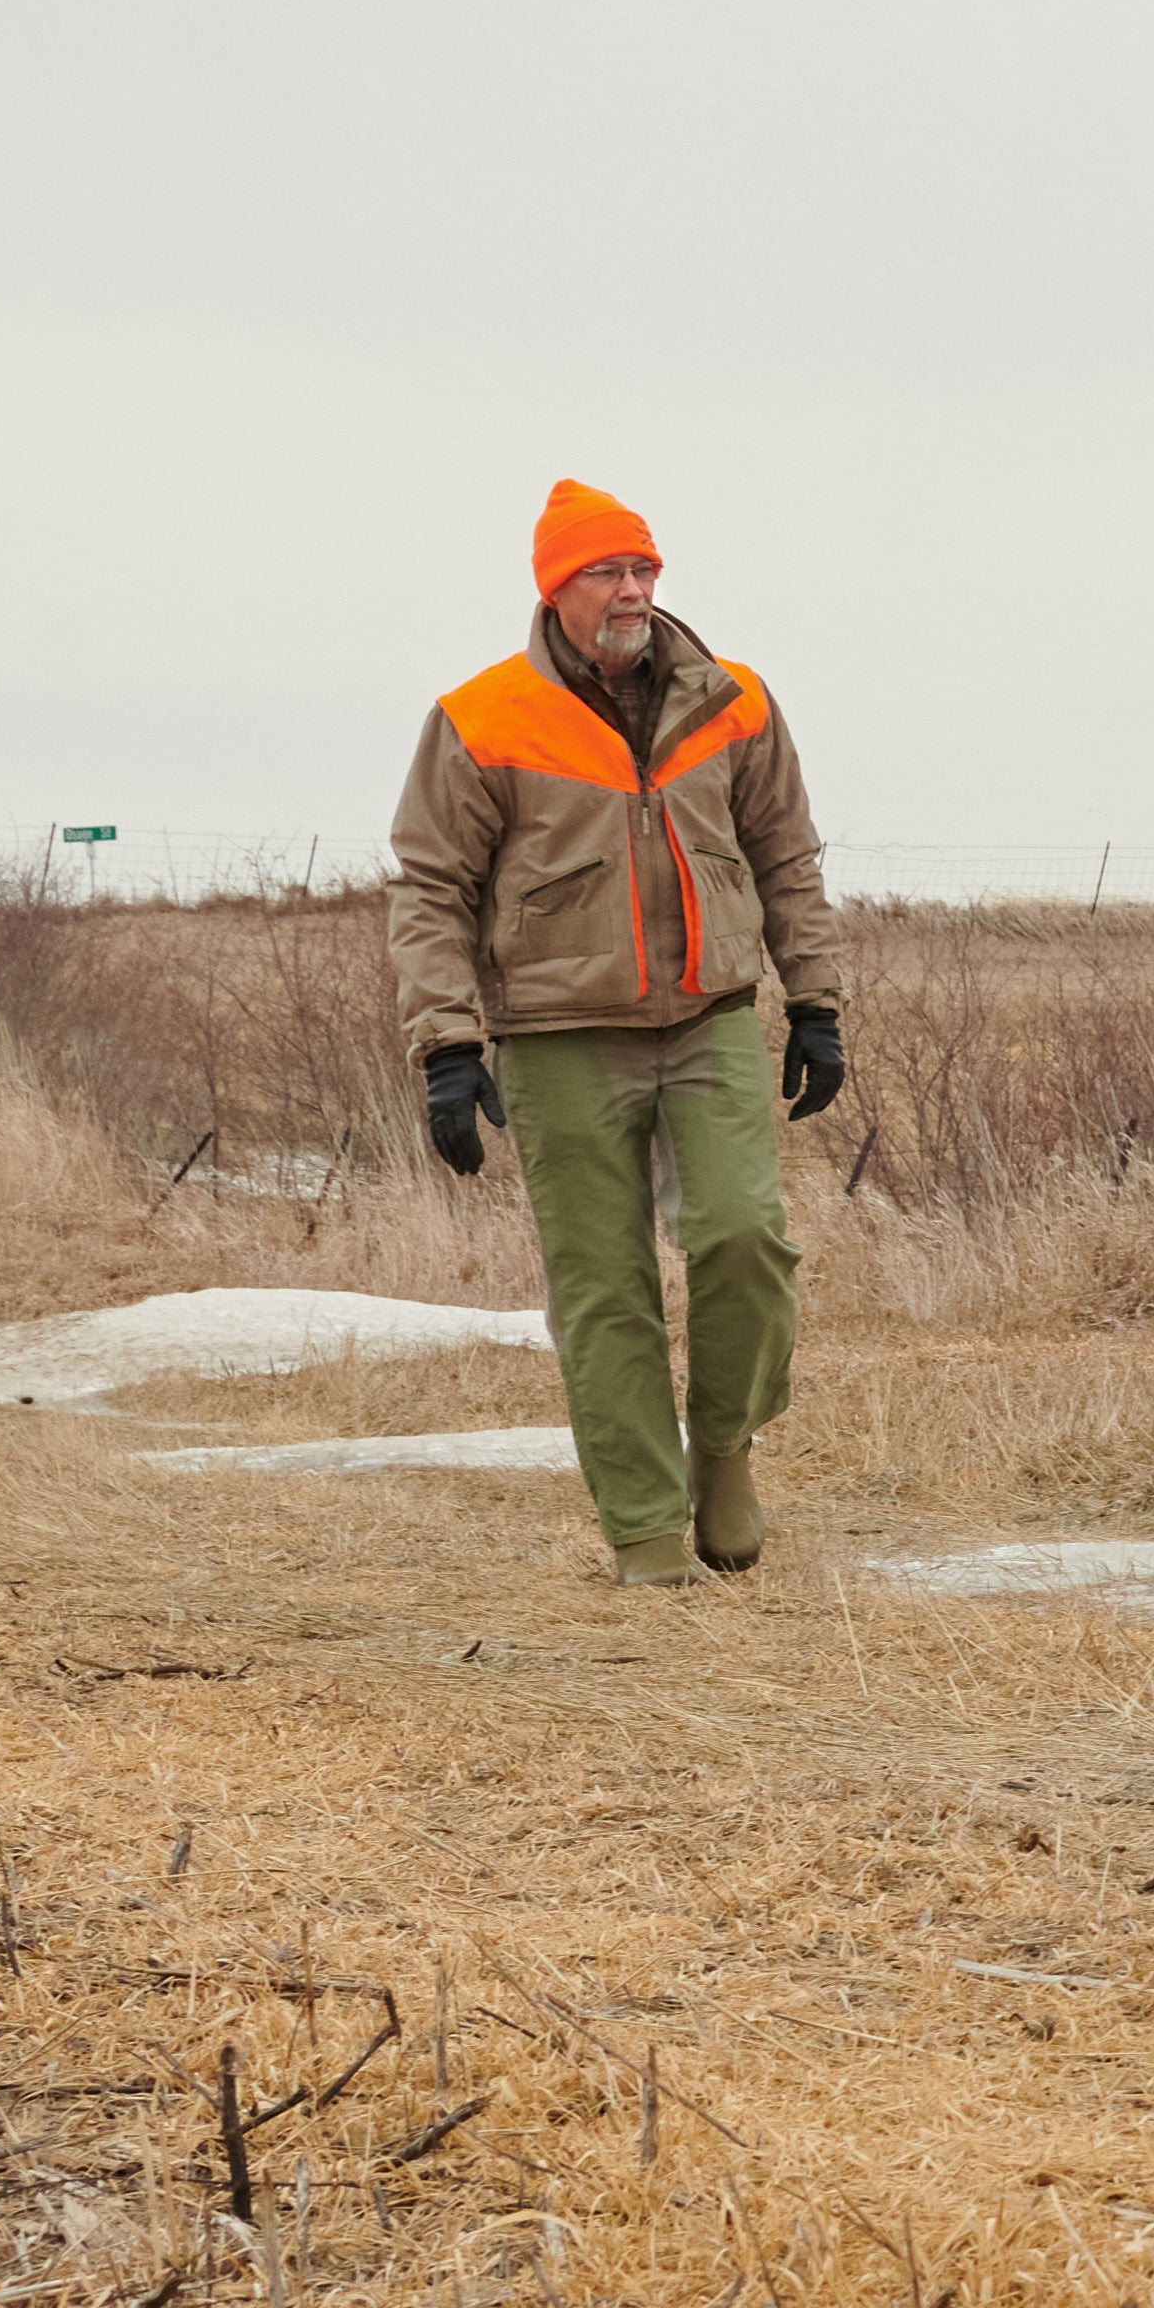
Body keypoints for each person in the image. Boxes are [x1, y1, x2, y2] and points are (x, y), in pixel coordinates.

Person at [388, 480, 851, 1586]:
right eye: (608, 571)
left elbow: (787, 856)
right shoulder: (481, 717)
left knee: (745, 1239)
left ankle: (725, 1448)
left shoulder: (733, 701)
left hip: (712, 1017)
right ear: (557, 589)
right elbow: (430, 891)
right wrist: (448, 1046)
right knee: (604, 1289)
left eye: (644, 569)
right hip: (557, 1037)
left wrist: (818, 1000)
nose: (634, 590)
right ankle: (646, 1530)